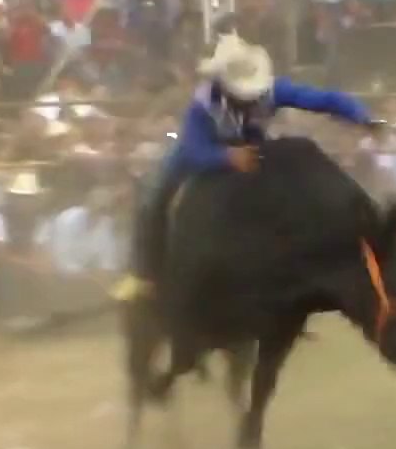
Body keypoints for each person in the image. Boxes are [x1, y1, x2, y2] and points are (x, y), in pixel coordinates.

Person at [112, 33, 380, 300]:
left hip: (252, 150)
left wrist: (360, 115)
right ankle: (143, 272)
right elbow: (194, 149)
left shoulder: (273, 91)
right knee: (153, 195)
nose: (250, 98)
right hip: (203, 155)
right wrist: (226, 157)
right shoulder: (203, 105)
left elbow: (322, 99)